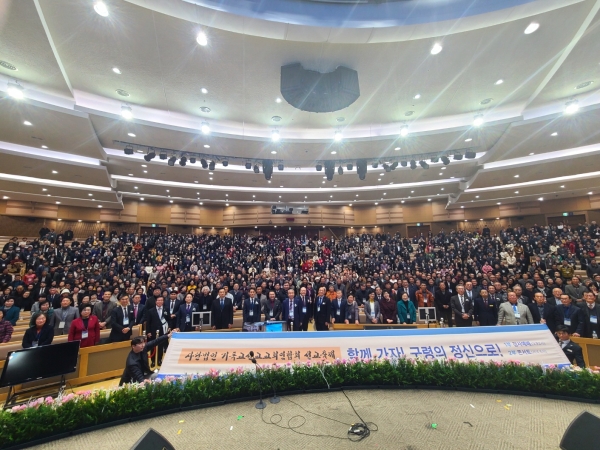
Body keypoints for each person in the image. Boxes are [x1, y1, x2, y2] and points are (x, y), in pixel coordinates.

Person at [145, 296, 170, 365]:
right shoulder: (151, 310)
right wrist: (148, 332)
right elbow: (148, 322)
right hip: (153, 331)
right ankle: (153, 361)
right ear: (156, 301)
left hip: (163, 331)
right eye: (158, 300)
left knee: (160, 346)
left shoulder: (166, 309)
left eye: (161, 300)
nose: (160, 302)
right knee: (153, 346)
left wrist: (169, 327)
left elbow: (169, 319)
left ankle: (159, 359)